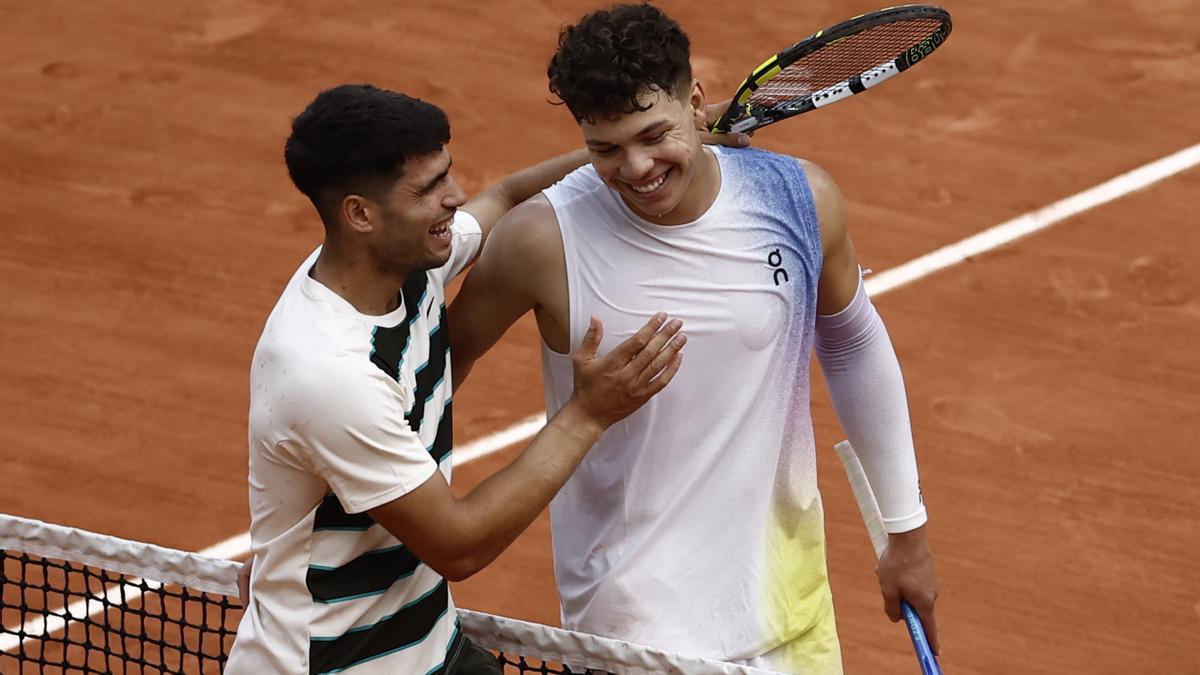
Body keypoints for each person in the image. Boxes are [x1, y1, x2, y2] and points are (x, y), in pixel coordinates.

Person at [448, 4, 939, 673]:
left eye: (654, 135)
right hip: (637, 634)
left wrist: (906, 532)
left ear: (697, 102)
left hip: (790, 613)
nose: (637, 168)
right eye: (605, 149)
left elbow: (852, 345)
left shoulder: (797, 199)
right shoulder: (543, 240)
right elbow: (438, 369)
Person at [224, 83, 691, 675]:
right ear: (360, 214)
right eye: (428, 189)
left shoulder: (403, 262)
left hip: (426, 648)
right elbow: (459, 544)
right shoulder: (330, 372)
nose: (456, 197)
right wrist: (588, 413)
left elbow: (510, 194)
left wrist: (652, 145)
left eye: (445, 174)